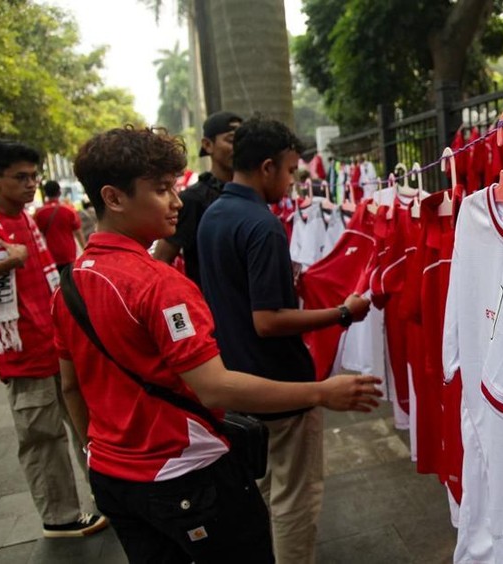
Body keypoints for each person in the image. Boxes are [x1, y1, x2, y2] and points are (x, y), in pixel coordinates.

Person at [57, 125, 381, 564]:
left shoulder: (70, 285)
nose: (175, 201)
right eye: (161, 189)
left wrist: (94, 450)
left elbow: (71, 387)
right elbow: (214, 387)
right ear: (114, 198)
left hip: (112, 475)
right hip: (184, 473)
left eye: (173, 187)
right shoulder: (157, 284)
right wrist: (323, 392)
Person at [197, 116, 372, 563]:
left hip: (240, 381)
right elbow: (268, 321)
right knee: (295, 500)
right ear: (268, 166)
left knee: (264, 492)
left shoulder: (214, 214)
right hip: (281, 388)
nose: (294, 182)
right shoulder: (262, 225)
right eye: (292, 171)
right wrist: (341, 313)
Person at [0, 140, 106, 538]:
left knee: (88, 426)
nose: (31, 183)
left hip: (56, 345)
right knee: (44, 438)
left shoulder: (26, 218)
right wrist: (7, 263)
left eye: (33, 176)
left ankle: (108, 497)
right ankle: (61, 517)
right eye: (21, 177)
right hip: (23, 355)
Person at [152, 111, 242, 288]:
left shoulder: (252, 194)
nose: (239, 147)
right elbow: (161, 260)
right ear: (208, 145)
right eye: (231, 140)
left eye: (244, 141)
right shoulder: (192, 200)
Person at [34, 180, 85, 272]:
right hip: (69, 254)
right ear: (59, 192)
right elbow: (78, 232)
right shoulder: (69, 210)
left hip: (50, 255)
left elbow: (37, 235)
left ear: (45, 193)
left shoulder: (39, 213)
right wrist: (85, 249)